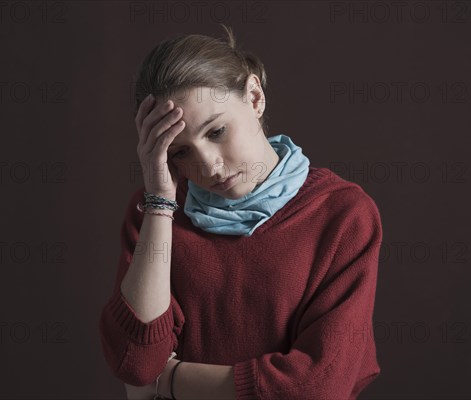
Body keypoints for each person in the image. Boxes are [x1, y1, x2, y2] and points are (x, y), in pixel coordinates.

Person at [99, 24, 383, 400]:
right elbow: (136, 363)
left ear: (254, 97)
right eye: (181, 152)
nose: (210, 166)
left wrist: (169, 381)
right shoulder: (156, 214)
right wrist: (160, 204)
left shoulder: (343, 215)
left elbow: (317, 388)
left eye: (216, 131)